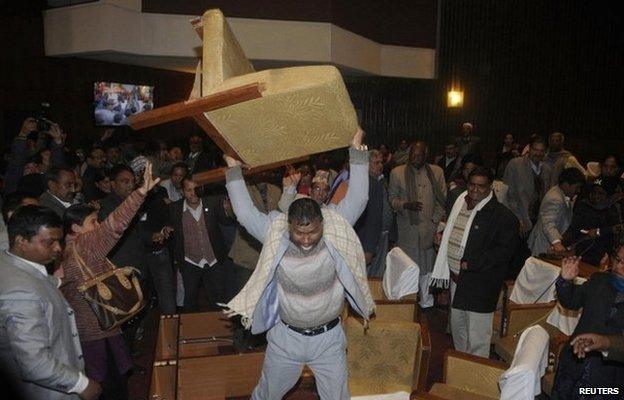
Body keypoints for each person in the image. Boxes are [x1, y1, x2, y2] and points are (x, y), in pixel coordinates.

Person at [222, 143, 374, 399]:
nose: (305, 239)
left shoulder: (335, 224)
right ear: (288, 224)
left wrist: (357, 152)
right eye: (299, 233)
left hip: (328, 340)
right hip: (286, 338)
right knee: (265, 395)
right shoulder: (276, 229)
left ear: (322, 223)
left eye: (313, 232)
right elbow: (247, 215)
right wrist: (233, 172)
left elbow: (359, 198)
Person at [59, 163, 159, 399]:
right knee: (110, 388)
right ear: (75, 228)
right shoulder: (84, 246)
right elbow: (113, 228)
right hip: (97, 335)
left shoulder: (69, 249)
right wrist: (140, 193)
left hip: (94, 330)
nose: (98, 226)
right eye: (93, 222)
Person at [0, 206, 102, 400]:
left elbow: (35, 277)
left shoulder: (10, 260)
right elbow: (34, 363)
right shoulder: (21, 293)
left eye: (59, 240)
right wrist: (81, 384)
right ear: (21, 241)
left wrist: (57, 282)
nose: (58, 248)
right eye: (50, 242)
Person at [430, 167, 518, 357]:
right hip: (456, 281)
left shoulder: (502, 216)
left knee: (477, 337)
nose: (475, 190)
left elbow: (504, 253)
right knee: (458, 329)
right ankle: (461, 368)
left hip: (480, 285)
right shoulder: (460, 201)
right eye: (472, 185)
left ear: (491, 187)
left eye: (481, 186)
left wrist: (472, 263)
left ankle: (475, 377)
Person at [551, 253, 624, 399]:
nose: (618, 265)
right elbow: (572, 301)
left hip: (610, 384)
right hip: (574, 366)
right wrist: (565, 281)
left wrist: (604, 342)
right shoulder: (599, 280)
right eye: (618, 259)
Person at [389, 141, 447, 308]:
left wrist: (434, 220)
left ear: (425, 155)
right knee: (408, 267)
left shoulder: (436, 172)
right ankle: (408, 302)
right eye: (413, 154)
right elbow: (391, 199)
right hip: (407, 229)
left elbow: (441, 200)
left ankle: (426, 303)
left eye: (419, 155)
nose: (415, 158)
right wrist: (405, 205)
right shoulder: (397, 172)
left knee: (427, 268)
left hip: (428, 229)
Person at [279, 130, 370, 226]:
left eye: (324, 190)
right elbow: (283, 209)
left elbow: (358, 199)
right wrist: (290, 187)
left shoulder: (331, 213)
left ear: (327, 194)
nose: (320, 193)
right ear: (310, 190)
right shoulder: (299, 201)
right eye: (317, 188)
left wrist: (357, 150)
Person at [228, 172, 282, 291]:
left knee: (266, 298)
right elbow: (237, 213)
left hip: (268, 258)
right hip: (246, 256)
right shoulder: (243, 189)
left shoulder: (276, 190)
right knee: (246, 299)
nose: (262, 173)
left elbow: (281, 217)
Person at [528, 167, 585, 256]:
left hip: (551, 244)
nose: (578, 191)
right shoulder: (555, 198)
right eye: (577, 187)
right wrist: (557, 243)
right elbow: (548, 223)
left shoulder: (561, 194)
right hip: (544, 246)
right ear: (566, 185)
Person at [563, 179, 621, 266]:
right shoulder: (583, 205)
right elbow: (574, 228)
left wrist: (599, 231)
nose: (596, 196)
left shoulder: (612, 210)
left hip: (601, 254)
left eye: (601, 193)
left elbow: (617, 229)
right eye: (594, 192)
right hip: (580, 250)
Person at [354, 149, 394, 277]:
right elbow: (372, 219)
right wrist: (369, 248)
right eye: (376, 163)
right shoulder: (368, 184)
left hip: (381, 236)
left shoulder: (379, 180)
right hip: (370, 239)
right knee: (371, 277)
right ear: (367, 165)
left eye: (381, 162)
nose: (380, 166)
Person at [503, 136, 553, 237]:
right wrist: (518, 218)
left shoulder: (547, 169)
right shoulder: (515, 164)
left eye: (541, 151)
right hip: (519, 218)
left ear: (545, 152)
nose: (538, 154)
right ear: (529, 149)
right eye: (535, 150)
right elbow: (509, 194)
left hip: (538, 220)